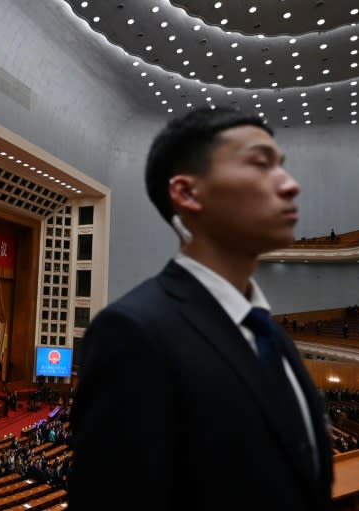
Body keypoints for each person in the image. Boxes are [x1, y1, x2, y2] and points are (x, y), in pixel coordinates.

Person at [69, 107, 333, 511]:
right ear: (188, 193)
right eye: (261, 164)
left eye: (283, 166)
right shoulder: (133, 332)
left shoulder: (271, 334)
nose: (291, 185)